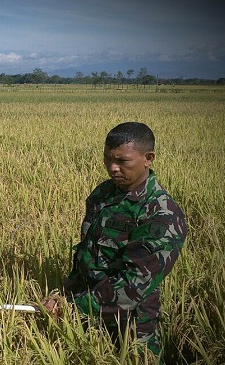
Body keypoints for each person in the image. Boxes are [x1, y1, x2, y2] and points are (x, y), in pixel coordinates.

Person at [55, 122, 187, 359]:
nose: (113, 168)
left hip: (131, 323)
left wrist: (74, 307)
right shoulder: (103, 194)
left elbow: (134, 284)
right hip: (86, 311)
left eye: (123, 161)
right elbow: (86, 253)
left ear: (148, 158)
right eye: (107, 159)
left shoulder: (161, 214)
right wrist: (66, 294)